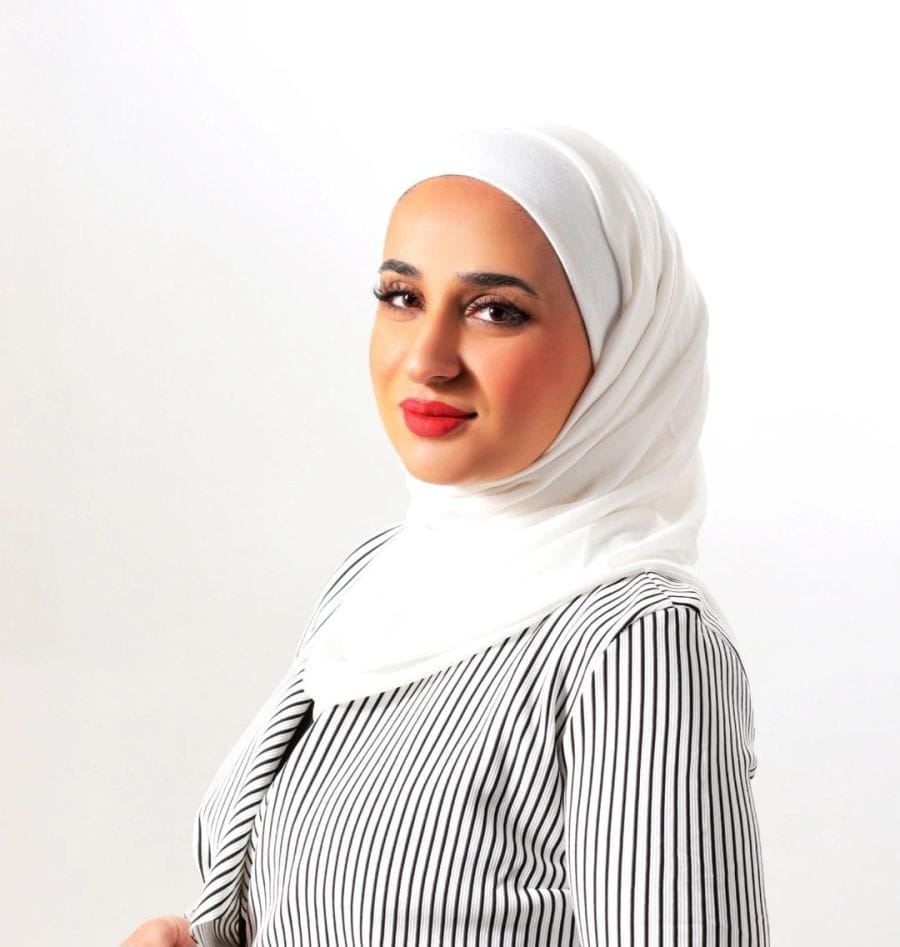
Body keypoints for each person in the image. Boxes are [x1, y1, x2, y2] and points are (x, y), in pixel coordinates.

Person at [119, 123, 770, 947]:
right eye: (402, 296)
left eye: (496, 310)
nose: (428, 357)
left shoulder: (639, 646)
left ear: (617, 352)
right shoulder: (379, 580)